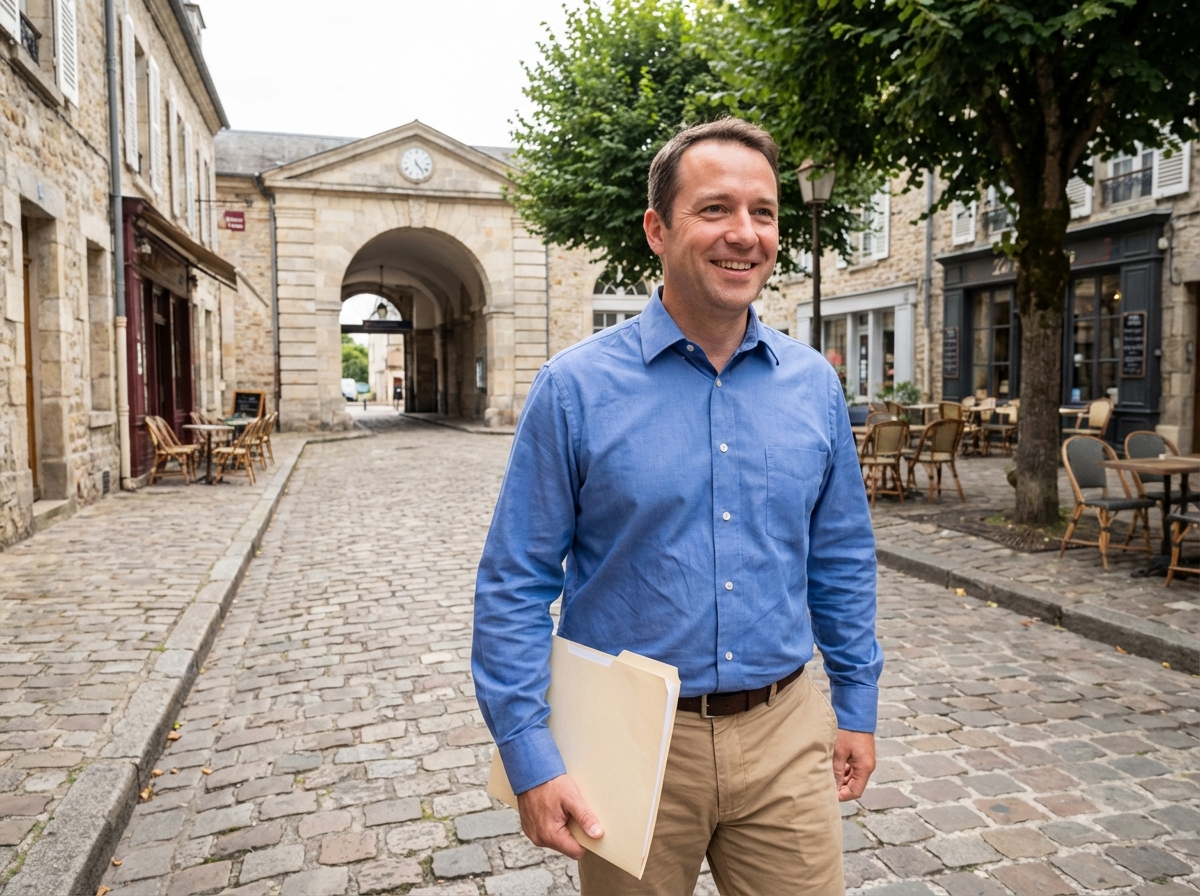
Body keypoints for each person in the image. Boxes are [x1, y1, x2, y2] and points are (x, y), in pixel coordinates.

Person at [472, 118, 882, 895]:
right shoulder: (575, 389)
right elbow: (515, 580)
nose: (745, 234)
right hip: (628, 743)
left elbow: (841, 557)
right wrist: (530, 753)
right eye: (716, 209)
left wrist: (855, 703)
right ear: (657, 229)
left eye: (763, 212)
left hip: (784, 732)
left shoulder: (813, 385)